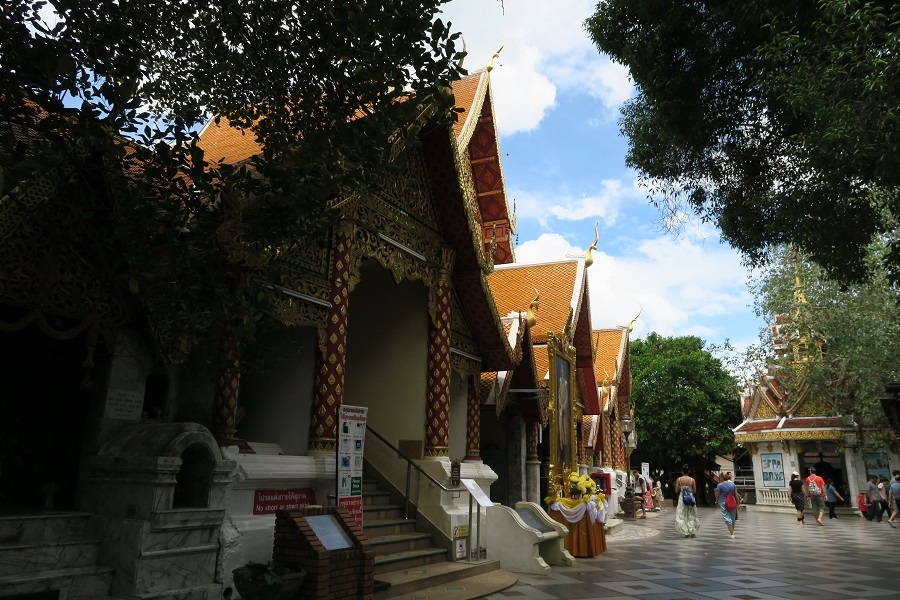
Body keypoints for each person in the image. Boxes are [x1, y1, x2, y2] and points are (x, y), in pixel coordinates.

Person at [674, 464, 700, 538]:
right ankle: (692, 531)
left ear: (682, 471)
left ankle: (686, 532)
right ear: (688, 471)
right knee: (691, 514)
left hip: (682, 498)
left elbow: (676, 490)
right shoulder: (692, 480)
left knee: (682, 514)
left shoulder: (679, 479)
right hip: (690, 498)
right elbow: (694, 491)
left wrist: (681, 488)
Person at [715, 471, 740, 539]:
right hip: (733, 502)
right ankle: (732, 533)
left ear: (722, 477)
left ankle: (732, 534)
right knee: (732, 518)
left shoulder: (719, 485)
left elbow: (717, 495)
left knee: (727, 518)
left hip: (723, 502)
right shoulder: (733, 484)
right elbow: (736, 494)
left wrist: (717, 501)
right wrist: (738, 503)